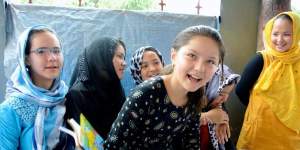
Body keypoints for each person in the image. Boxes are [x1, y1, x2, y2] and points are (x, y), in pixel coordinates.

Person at [104, 25, 225, 149]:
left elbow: (191, 143)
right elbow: (113, 146)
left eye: (210, 61)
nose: (199, 68)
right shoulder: (146, 94)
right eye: (192, 55)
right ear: (174, 56)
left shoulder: (196, 96)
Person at [236, 11, 300, 149]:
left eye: (287, 34)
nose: (280, 39)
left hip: (292, 136)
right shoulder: (261, 60)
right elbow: (240, 90)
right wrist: (257, 108)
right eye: (275, 34)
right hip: (260, 132)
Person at [0, 25, 68, 149]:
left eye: (56, 51)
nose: (52, 58)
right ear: (26, 59)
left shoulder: (68, 99)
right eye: (41, 51)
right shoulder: (10, 110)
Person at [64, 37, 127, 149]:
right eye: (120, 56)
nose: (124, 63)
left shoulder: (117, 91)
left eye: (124, 57)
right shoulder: (77, 95)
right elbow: (87, 143)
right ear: (101, 58)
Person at [200, 64, 240, 150]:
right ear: (208, 89)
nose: (225, 99)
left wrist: (222, 122)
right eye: (221, 94)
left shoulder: (219, 109)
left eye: (228, 94)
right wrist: (208, 117)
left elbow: (227, 143)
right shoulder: (186, 108)